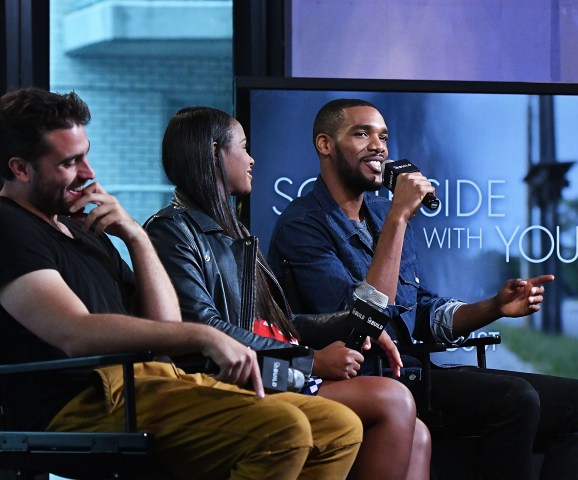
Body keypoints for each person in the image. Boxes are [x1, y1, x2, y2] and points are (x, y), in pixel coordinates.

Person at [0, 88, 363, 480]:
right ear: (20, 168)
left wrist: (136, 238)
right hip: (83, 401)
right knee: (284, 431)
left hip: (151, 382)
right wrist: (204, 337)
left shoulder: (80, 226)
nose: (89, 173)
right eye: (70, 162)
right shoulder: (9, 227)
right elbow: (73, 332)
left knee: (339, 428)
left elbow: (165, 324)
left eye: (86, 154)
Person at [268, 98, 578, 480]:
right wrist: (399, 216)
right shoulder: (303, 226)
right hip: (368, 383)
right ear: (325, 145)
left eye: (383, 136)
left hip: (417, 374)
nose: (379, 146)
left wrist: (495, 306)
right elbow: (361, 320)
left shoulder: (383, 215)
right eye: (361, 133)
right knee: (516, 400)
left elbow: (423, 312)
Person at [144, 106, 431, 480]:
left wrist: (352, 325)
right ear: (215, 152)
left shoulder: (234, 233)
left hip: (271, 368)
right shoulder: (172, 230)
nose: (252, 159)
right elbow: (204, 330)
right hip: (235, 378)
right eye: (243, 147)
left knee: (419, 434)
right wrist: (309, 361)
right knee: (392, 401)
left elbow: (273, 324)